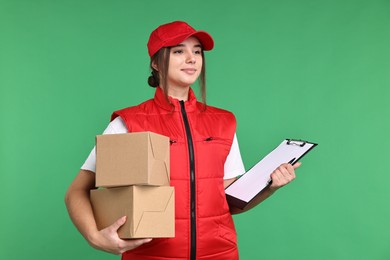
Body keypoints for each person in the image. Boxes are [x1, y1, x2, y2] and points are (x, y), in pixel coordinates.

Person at [64, 21, 301, 260]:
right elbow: (77, 191)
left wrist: (269, 188)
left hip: (220, 254)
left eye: (197, 51)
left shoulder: (224, 122)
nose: (192, 58)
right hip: (152, 256)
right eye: (179, 51)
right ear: (156, 62)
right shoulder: (128, 123)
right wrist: (96, 238)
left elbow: (228, 203)